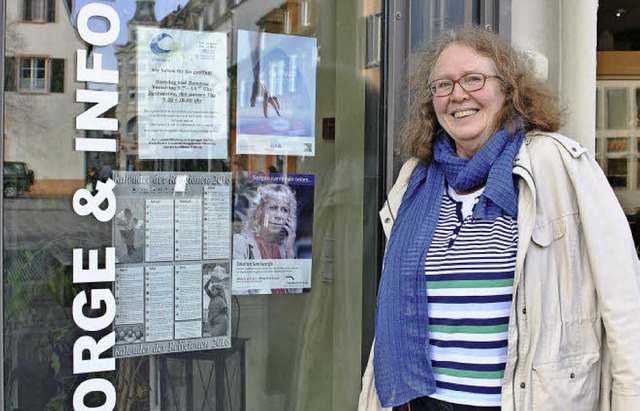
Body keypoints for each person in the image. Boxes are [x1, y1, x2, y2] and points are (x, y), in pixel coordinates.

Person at [359, 27, 640, 411]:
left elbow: (624, 301)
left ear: (509, 89)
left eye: (474, 79)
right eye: (443, 85)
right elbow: (394, 309)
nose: (458, 94)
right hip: (423, 403)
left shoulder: (557, 163)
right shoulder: (415, 178)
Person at [233, 184, 297, 260]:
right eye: (273, 208)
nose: (279, 216)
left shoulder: (284, 247)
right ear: (259, 212)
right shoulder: (240, 242)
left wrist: (289, 251)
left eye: (284, 210)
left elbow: (293, 271)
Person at [203, 265, 229, 337]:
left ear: (218, 291)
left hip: (220, 323)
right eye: (212, 290)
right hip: (213, 322)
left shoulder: (220, 300)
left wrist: (229, 321)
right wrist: (210, 280)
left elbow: (226, 310)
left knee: (214, 336)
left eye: (213, 290)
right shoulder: (212, 297)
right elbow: (205, 288)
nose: (212, 291)